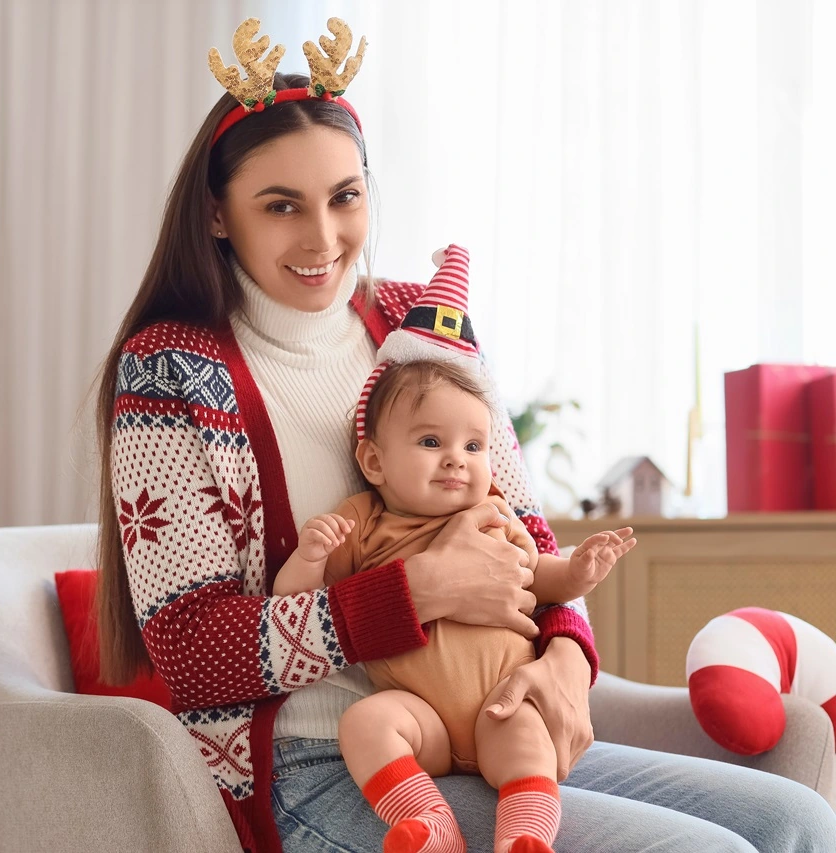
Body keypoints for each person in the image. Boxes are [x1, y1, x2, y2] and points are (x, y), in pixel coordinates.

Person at [94, 16, 836, 853]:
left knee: (796, 819)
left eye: (345, 197)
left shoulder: (423, 325)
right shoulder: (169, 372)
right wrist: (420, 595)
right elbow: (192, 652)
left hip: (492, 725)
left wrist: (565, 660)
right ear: (219, 215)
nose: (323, 239)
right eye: (281, 207)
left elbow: (527, 528)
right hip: (325, 763)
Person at [273, 262, 635, 852]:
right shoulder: (364, 522)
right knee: (365, 723)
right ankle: (429, 824)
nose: (457, 460)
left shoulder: (496, 512)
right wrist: (311, 557)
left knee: (525, 750)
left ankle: (523, 836)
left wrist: (577, 570)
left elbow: (541, 579)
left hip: (505, 698)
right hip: (425, 721)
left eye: (473, 445)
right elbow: (298, 608)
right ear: (374, 463)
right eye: (430, 442)